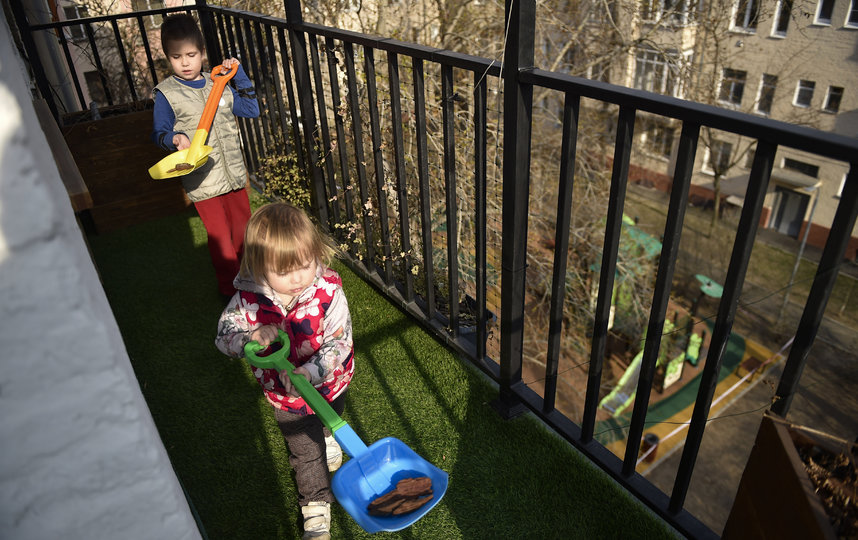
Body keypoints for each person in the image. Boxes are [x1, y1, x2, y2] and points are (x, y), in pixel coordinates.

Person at [216, 202, 355, 540]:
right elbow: (223, 338)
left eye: (305, 265)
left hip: (329, 384)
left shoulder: (329, 292)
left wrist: (310, 372)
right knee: (305, 454)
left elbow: (339, 343)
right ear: (260, 266)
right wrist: (249, 336)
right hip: (284, 398)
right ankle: (316, 507)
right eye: (283, 270)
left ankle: (326, 435)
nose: (297, 278)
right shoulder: (248, 302)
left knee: (327, 418)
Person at [152, 13, 259, 299]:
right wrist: (174, 137)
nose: (185, 62)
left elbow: (251, 110)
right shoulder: (167, 94)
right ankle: (230, 293)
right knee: (221, 241)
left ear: (202, 53)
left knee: (244, 233)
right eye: (177, 57)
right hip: (202, 181)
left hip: (233, 174)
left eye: (191, 54)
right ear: (167, 57)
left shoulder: (218, 85)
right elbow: (159, 132)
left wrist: (239, 74)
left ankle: (252, 284)